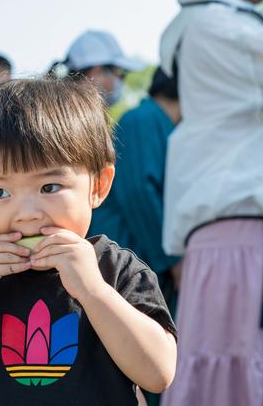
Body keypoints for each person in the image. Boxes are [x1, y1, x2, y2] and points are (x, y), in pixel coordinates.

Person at [0, 78, 177, 405]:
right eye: (0, 192)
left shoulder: (116, 270)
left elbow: (158, 373)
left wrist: (93, 291)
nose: (27, 214)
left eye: (50, 187)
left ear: (98, 185)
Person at [158, 0, 263, 405]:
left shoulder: (223, 24)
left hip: (248, 244)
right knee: (237, 384)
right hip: (245, 246)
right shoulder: (214, 27)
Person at [88, 67, 181, 406]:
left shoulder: (164, 123)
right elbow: (142, 192)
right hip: (129, 259)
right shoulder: (145, 119)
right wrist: (172, 259)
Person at [49, 30, 144, 107]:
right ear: (97, 71)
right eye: (120, 74)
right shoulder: (77, 122)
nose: (120, 81)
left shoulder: (57, 110)